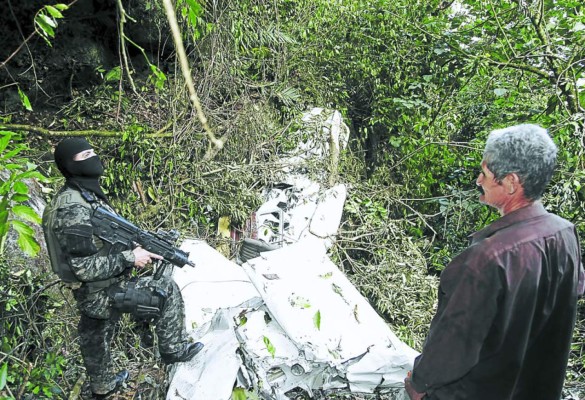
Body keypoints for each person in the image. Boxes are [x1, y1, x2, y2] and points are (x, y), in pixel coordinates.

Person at [404, 124, 584, 400]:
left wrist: (418, 383)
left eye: (485, 173)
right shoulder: (564, 233)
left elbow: (454, 345)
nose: (478, 180)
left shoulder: (487, 259)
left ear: (511, 182)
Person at [42, 138, 203, 397]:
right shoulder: (73, 208)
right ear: (69, 165)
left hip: (95, 288)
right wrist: (131, 257)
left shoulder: (83, 196)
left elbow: (103, 238)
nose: (94, 157)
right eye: (85, 155)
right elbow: (83, 267)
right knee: (166, 291)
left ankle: (103, 386)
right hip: (99, 291)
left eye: (93, 151)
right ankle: (175, 350)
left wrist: (138, 243)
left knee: (93, 335)